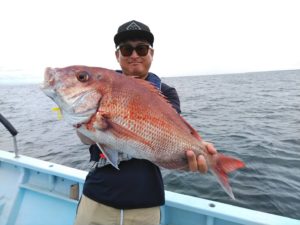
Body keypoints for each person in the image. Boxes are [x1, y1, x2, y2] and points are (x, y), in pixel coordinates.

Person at [74, 20, 217, 225]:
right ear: (117, 55)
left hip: (146, 201)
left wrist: (188, 160)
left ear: (151, 53)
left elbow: (166, 141)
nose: (134, 55)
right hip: (97, 197)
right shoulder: (100, 85)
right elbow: (85, 140)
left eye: (141, 49)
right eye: (126, 49)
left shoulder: (166, 93)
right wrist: (84, 120)